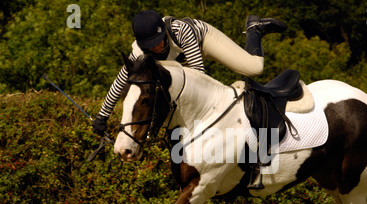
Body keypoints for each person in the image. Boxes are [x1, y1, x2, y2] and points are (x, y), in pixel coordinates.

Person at [92, 10, 287, 136]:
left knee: (255, 68)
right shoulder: (139, 52)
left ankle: (255, 29)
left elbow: (198, 75)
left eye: (158, 40)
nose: (156, 47)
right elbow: (120, 83)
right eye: (150, 45)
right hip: (181, 64)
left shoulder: (180, 30)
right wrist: (102, 117)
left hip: (203, 42)